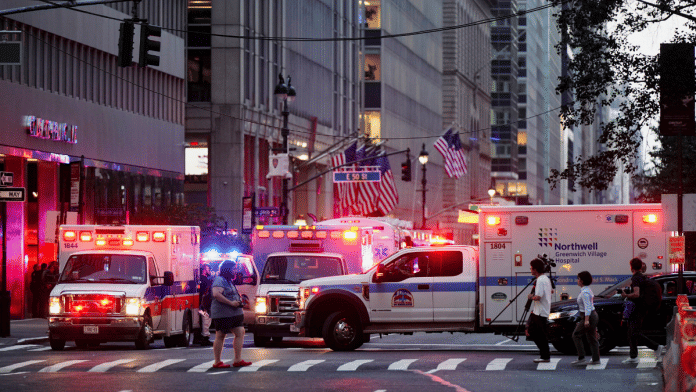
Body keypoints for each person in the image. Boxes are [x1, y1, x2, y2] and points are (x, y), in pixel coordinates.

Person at [620, 257, 663, 363]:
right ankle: (633, 356)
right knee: (631, 332)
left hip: (638, 308)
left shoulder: (636, 278)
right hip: (641, 307)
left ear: (631, 267)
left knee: (634, 332)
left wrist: (626, 295)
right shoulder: (641, 277)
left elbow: (636, 294)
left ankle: (656, 347)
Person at [210, 260, 252, 368]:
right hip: (223, 314)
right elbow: (216, 294)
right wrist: (231, 303)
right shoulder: (220, 280)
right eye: (233, 269)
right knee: (220, 335)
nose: (235, 271)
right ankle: (217, 362)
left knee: (240, 332)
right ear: (227, 269)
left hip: (233, 313)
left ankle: (237, 360)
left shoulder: (229, 281)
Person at [571, 271, 601, 365]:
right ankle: (596, 359)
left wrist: (586, 320)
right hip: (591, 315)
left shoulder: (585, 292)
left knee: (576, 335)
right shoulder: (587, 290)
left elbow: (587, 307)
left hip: (589, 316)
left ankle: (581, 358)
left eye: (578, 278)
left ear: (582, 281)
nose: (577, 280)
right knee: (592, 337)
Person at [527, 258, 552, 363]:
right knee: (539, 333)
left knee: (535, 332)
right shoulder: (545, 278)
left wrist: (531, 297)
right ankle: (544, 355)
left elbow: (538, 296)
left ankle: (545, 355)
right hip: (542, 310)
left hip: (540, 311)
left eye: (531, 268)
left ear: (535, 269)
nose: (531, 270)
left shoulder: (540, 280)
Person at [196, 264, 213, 346]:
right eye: (208, 268)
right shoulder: (205, 280)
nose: (209, 270)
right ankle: (205, 338)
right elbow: (205, 293)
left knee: (202, 320)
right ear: (204, 270)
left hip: (201, 304)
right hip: (204, 304)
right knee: (206, 319)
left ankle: (198, 338)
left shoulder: (200, 279)